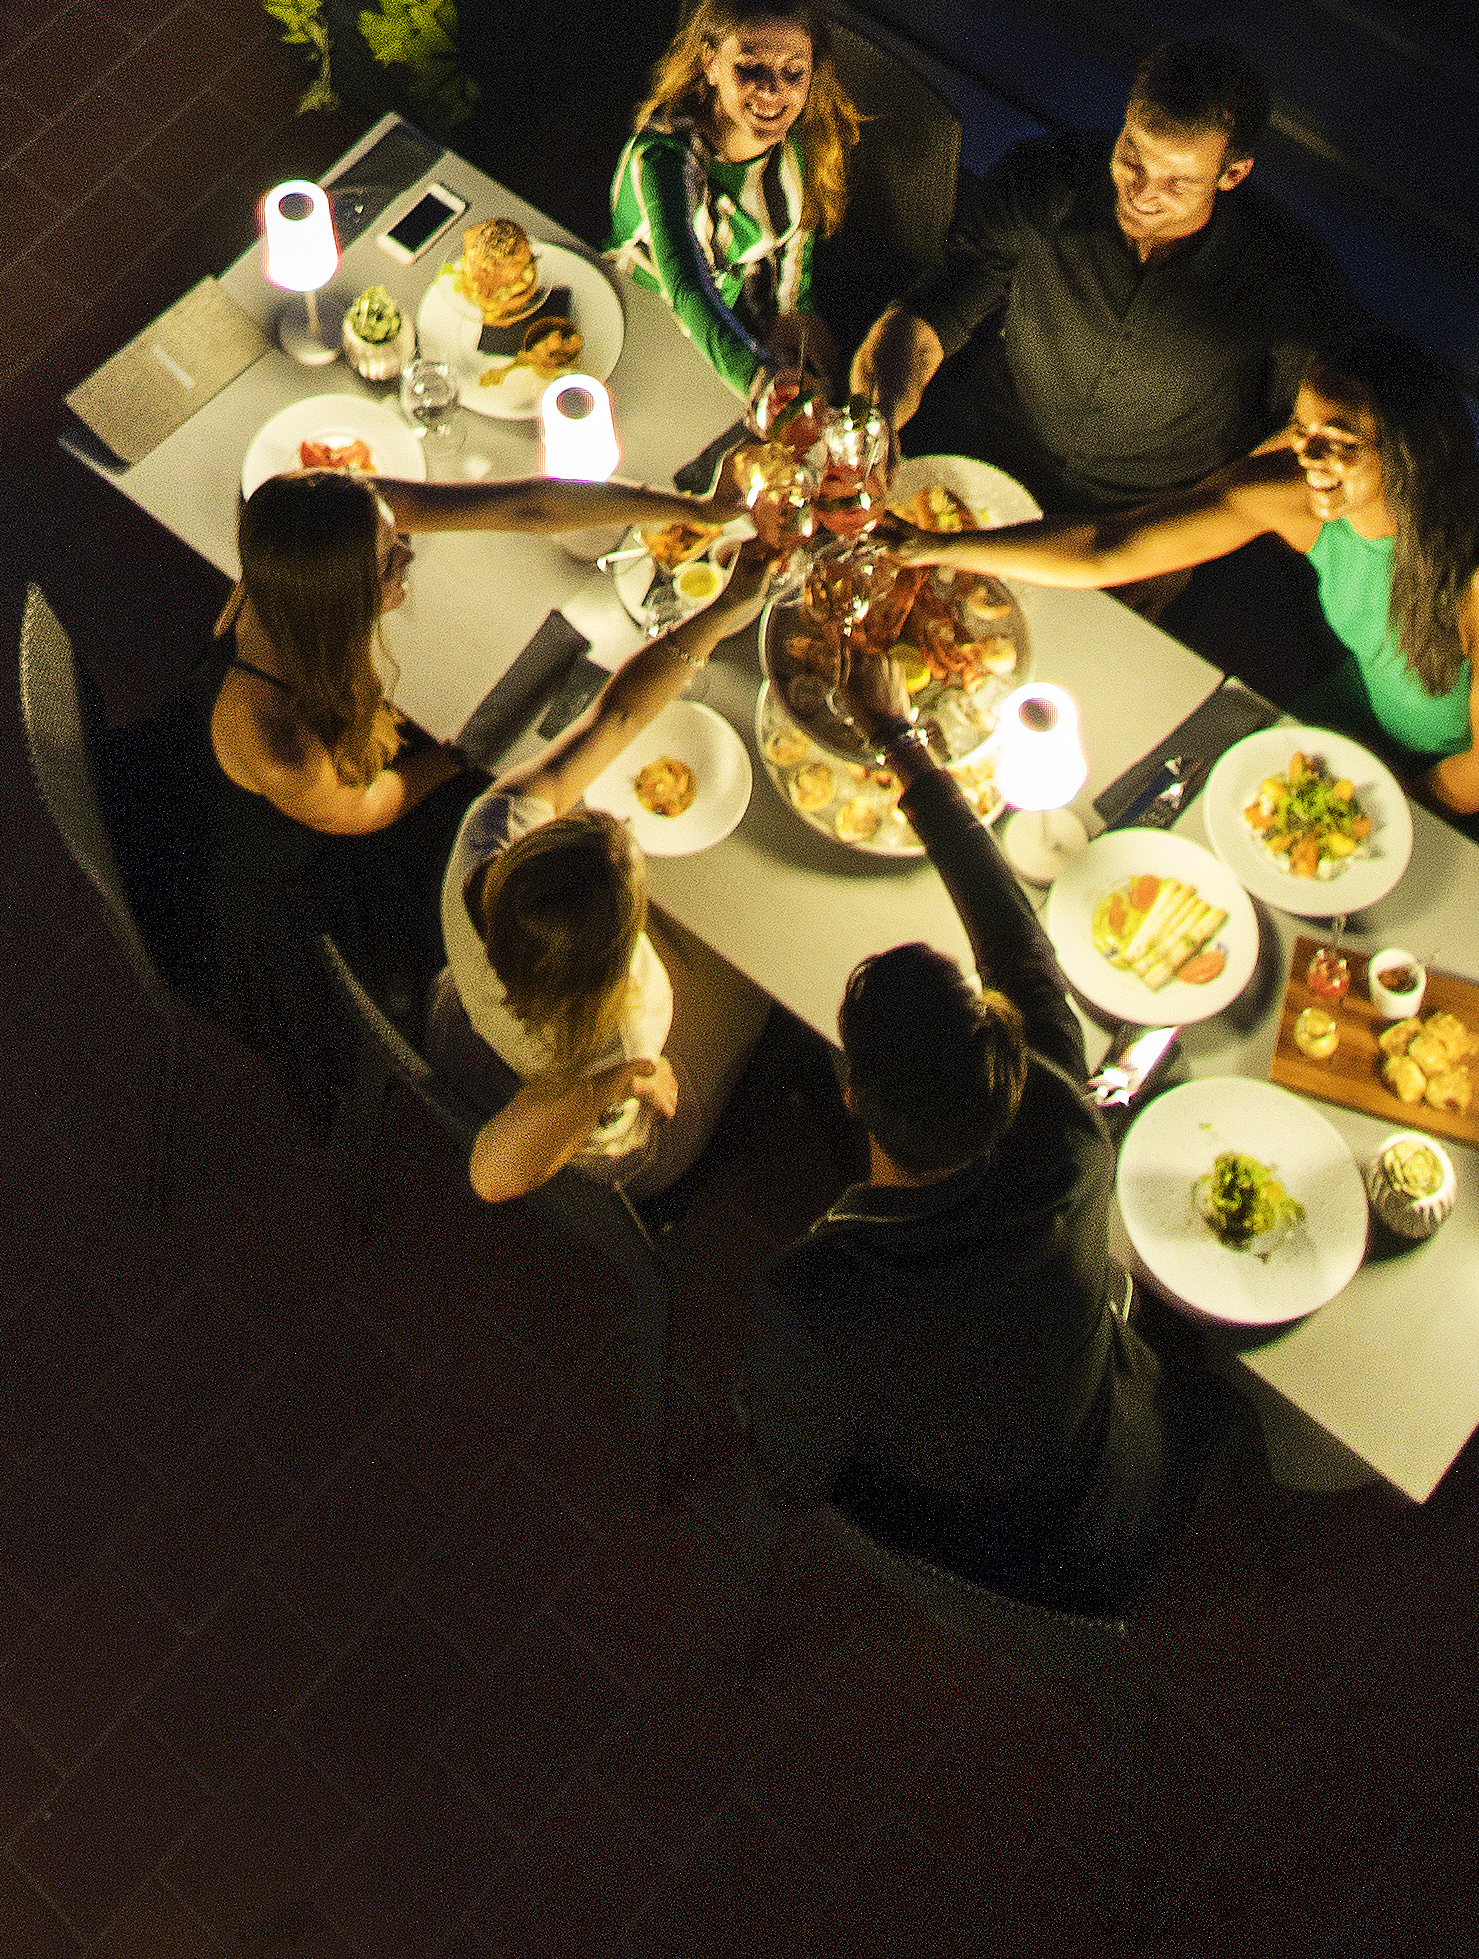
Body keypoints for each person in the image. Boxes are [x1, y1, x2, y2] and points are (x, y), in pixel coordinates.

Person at [736, 628, 1177, 1610]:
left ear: (850, 1094)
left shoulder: (817, 1292)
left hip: (989, 1545)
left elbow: (788, 1472)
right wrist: (902, 739)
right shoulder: (1065, 1130)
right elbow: (1018, 951)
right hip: (1113, 1459)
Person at [978, 336, 1479, 880]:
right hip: (1391, 718)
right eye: (1300, 427)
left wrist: (1337, 824)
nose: (1307, 456)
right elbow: (1107, 545)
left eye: (1339, 440)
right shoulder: (1301, 481)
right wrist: (933, 547)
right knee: (1208, 801)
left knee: (1310, 876)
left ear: (1407, 457)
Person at [110, 462, 475, 1144]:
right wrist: (456, 758)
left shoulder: (284, 565)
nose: (407, 555)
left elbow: (512, 508)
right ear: (338, 601)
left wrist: (686, 506)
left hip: (213, 797)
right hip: (266, 896)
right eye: (388, 560)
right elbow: (378, 804)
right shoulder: (284, 749)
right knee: (472, 837)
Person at [850, 36, 1345, 529]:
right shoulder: (1045, 179)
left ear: (1231, 174)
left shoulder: (1288, 283)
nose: (1142, 194)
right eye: (1133, 155)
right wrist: (879, 419)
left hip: (1136, 529)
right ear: (1127, 117)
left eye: (1179, 181)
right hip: (974, 474)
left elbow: (1296, 432)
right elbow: (930, 313)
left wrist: (1194, 524)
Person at [425, 560, 783, 1206]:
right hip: (604, 1140)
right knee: (758, 984)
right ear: (621, 951)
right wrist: (626, 1080)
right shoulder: (624, 1033)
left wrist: (725, 607)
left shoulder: (486, 834)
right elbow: (491, 1175)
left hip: (466, 1024)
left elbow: (611, 719)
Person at [612, 0, 883, 395]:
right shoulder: (664, 156)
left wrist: (798, 327)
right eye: (749, 67)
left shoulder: (801, 151)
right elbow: (686, 283)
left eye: (793, 73)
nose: (772, 91)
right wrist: (761, 382)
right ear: (711, 64)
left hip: (735, 313)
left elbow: (797, 258)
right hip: (641, 314)